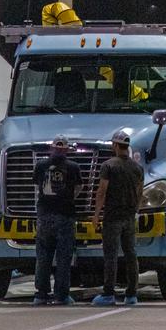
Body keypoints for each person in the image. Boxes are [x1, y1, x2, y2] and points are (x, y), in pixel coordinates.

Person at [91, 129, 144, 307]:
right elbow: (139, 193)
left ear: (114, 145)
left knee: (111, 255)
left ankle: (108, 293)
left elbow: (102, 191)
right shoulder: (137, 168)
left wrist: (96, 215)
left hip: (112, 217)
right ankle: (131, 293)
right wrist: (135, 210)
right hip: (129, 217)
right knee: (131, 254)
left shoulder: (108, 166)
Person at [32, 135, 82, 306]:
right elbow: (78, 188)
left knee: (43, 255)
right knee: (63, 257)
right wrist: (67, 199)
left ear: (52, 147)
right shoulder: (73, 167)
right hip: (65, 215)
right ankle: (61, 295)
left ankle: (41, 294)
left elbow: (38, 187)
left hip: (44, 215)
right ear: (67, 149)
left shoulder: (41, 165)